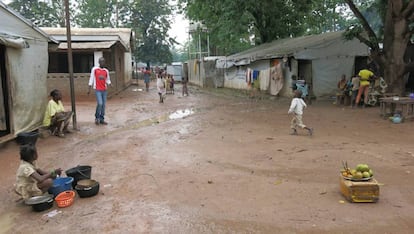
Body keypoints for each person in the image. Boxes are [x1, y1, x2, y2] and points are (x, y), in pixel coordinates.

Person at [88, 57, 111, 125]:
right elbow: (91, 78)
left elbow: (107, 79)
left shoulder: (106, 71)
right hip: (97, 89)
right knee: (100, 103)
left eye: (103, 62)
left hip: (104, 90)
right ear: (99, 62)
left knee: (103, 105)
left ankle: (102, 119)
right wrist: (89, 88)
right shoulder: (95, 69)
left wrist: (110, 84)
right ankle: (97, 117)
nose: (102, 63)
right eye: (101, 62)